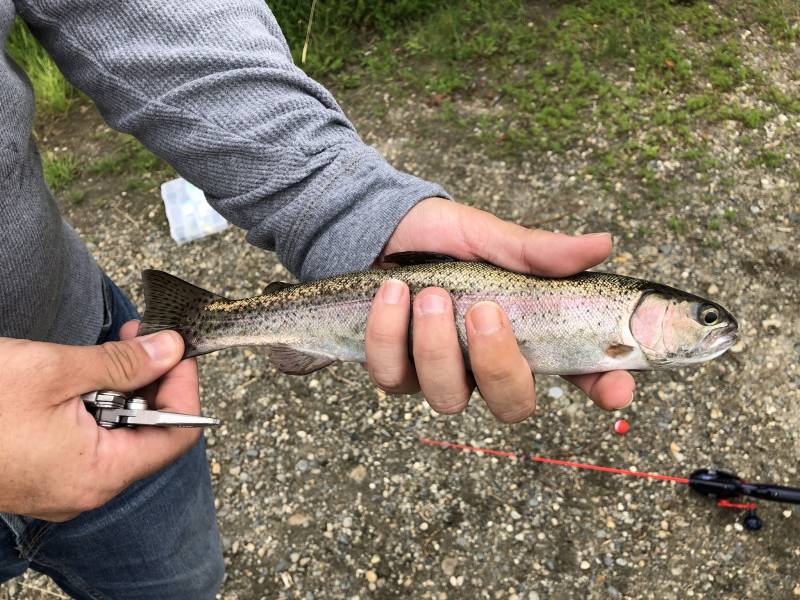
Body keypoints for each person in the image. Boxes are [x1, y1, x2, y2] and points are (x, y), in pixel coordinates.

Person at [0, 1, 635, 598]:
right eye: (704, 319)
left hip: (92, 347)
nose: (714, 329)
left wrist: (351, 207)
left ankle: (212, 322)